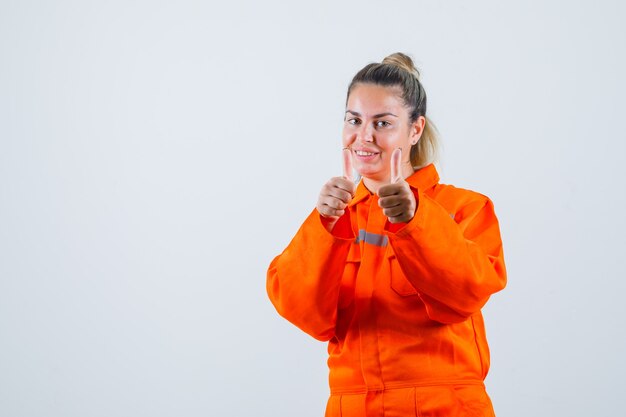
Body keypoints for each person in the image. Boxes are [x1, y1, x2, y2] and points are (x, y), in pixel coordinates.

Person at [267, 52, 507, 417]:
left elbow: (463, 295)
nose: (364, 136)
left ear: (415, 129)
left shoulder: (463, 208)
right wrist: (325, 225)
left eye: (382, 123)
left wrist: (416, 222)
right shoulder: (336, 217)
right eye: (354, 120)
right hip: (352, 406)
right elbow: (306, 314)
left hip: (443, 407)